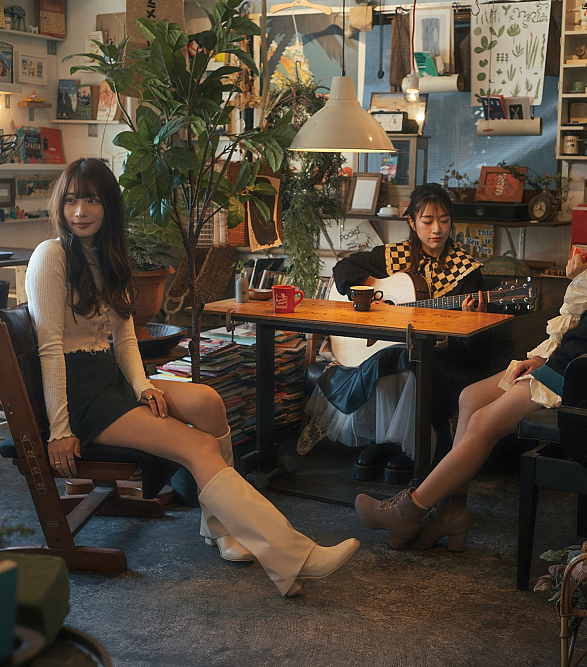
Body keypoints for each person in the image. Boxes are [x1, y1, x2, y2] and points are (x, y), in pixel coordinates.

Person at [25, 158, 358, 596]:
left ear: (108, 206)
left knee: (208, 401)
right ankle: (293, 558)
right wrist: (60, 429)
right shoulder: (51, 255)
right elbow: (49, 348)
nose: (80, 211)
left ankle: (221, 528)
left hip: (110, 379)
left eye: (91, 200)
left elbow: (124, 338)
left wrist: (143, 385)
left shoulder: (108, 257)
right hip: (81, 395)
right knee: (199, 446)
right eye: (71, 201)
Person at [355, 140, 587, 550]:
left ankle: (409, 510)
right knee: (470, 397)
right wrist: (545, 350)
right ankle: (451, 513)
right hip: (574, 359)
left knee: (484, 423)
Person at [298, 183, 490, 483]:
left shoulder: (466, 270)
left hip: (443, 353)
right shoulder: (392, 256)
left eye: (444, 220)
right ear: (412, 222)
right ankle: (380, 441)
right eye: (427, 221)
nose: (437, 229)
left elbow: (476, 342)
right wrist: (372, 294)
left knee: (403, 359)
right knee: (391, 356)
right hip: (390, 348)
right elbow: (343, 270)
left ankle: (406, 447)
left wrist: (471, 319)